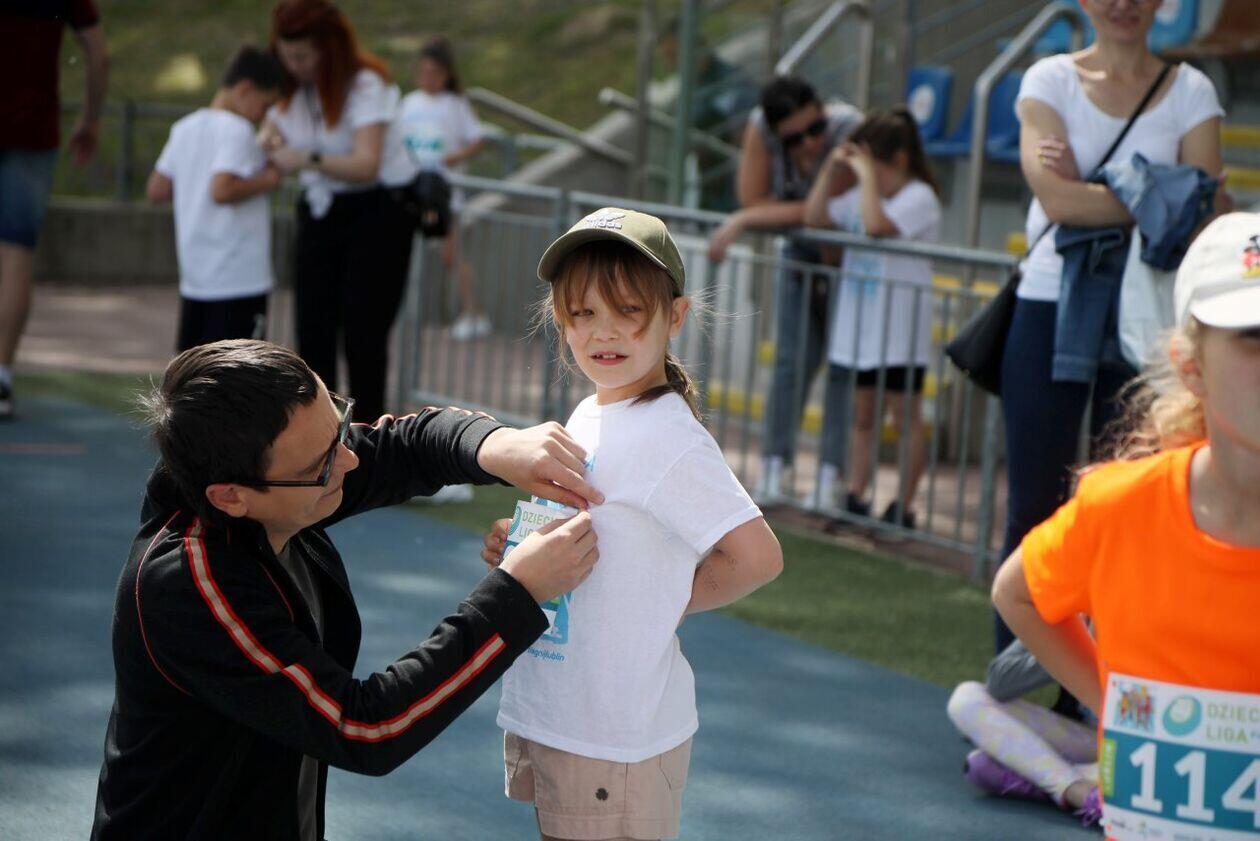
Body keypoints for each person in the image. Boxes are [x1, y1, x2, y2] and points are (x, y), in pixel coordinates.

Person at [90, 338, 605, 840]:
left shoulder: (280, 475)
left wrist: (496, 445)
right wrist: (516, 593)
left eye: (338, 424)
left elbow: (407, 445)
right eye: (322, 463)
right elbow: (364, 728)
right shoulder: (190, 585)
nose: (349, 460)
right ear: (231, 497)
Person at [481, 208, 783, 841]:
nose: (604, 331)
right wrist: (523, 552)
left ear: (675, 316)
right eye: (584, 312)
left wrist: (663, 596)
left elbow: (757, 557)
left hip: (613, 732)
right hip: (566, 709)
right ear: (560, 319)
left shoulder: (667, 435)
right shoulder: (591, 411)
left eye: (628, 310)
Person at [993, 212, 1260, 841]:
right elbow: (1015, 592)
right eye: (1255, 335)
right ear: (1191, 365)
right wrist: (1115, 698)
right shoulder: (1118, 507)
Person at [995, 0, 1224, 653]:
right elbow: (1057, 199)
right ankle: (1009, 688)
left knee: (1126, 504)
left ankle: (1102, 684)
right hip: (1050, 304)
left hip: (1146, 312)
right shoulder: (1050, 78)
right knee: (1033, 502)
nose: (1123, 4)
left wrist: (1094, 191)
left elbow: (1202, 210)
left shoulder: (1192, 89)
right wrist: (1159, 192)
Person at [707, 75, 863, 502]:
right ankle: (775, 466)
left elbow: (821, 212)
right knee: (790, 363)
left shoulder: (849, 126)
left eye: (815, 129)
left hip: (849, 260)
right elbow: (754, 198)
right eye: (794, 139)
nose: (809, 143)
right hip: (800, 255)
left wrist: (747, 219)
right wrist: (754, 213)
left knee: (843, 368)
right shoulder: (761, 126)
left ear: (823, 112)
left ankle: (831, 476)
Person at [262, 0, 411, 423]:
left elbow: (366, 163)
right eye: (287, 56)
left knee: (364, 337)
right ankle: (316, 436)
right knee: (312, 333)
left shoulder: (365, 85)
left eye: (303, 56)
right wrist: (271, 140)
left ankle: (369, 442)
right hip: (320, 210)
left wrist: (305, 158)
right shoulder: (294, 89)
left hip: (376, 213)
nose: (294, 66)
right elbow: (268, 127)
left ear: (328, 50)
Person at [802, 108, 941, 528]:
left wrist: (863, 177)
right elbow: (814, 218)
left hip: (899, 333)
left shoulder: (919, 197)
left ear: (899, 160)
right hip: (863, 331)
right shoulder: (864, 196)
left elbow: (878, 225)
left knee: (905, 419)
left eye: (874, 166)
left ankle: (904, 506)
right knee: (863, 417)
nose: (867, 175)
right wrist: (830, 171)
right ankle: (856, 495)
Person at [0, 0, 109, 419]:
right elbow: (98, 53)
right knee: (16, 253)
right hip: (32, 128)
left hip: (32, 130)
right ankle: (2, 375)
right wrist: (91, 119)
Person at [146, 46, 286, 351]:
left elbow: (157, 189)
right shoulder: (238, 130)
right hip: (238, 277)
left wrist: (191, 182)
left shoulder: (184, 128)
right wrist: (269, 179)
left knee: (194, 370)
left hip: (196, 277)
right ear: (246, 89)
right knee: (239, 372)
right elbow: (221, 189)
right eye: (265, 105)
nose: (264, 115)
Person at [382, 36, 489, 341]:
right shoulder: (409, 102)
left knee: (450, 252)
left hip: (443, 192)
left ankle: (473, 311)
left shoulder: (455, 104)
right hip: (411, 187)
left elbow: (477, 139)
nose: (428, 78)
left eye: (435, 72)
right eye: (424, 71)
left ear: (445, 74)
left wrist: (454, 157)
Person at [947, 639, 1101, 827]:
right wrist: (1068, 651)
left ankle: (1037, 775)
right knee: (967, 699)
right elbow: (999, 683)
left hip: (1125, 750)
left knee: (983, 765)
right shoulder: (1071, 621)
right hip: (1088, 739)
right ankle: (1078, 792)